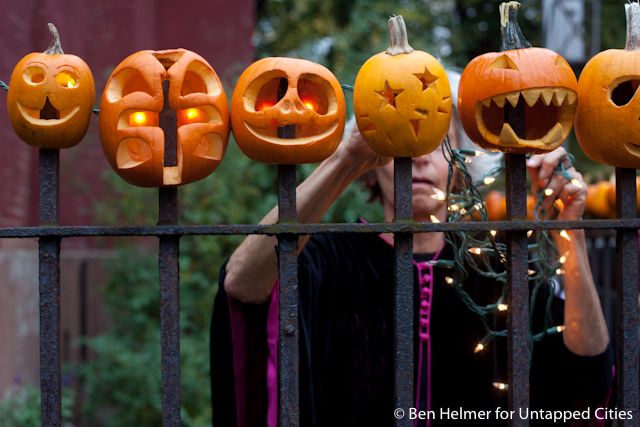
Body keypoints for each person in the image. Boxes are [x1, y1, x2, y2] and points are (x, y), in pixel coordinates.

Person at [211, 88, 613, 427]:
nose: (419, 156)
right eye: (403, 137)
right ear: (375, 163)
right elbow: (242, 287)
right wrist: (345, 160)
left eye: (437, 141)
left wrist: (569, 232)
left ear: (459, 163)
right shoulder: (328, 257)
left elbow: (586, 376)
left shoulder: (494, 271)